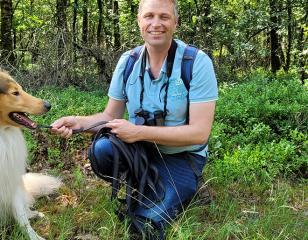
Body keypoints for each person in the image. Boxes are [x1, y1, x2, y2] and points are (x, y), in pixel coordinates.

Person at [51, 0, 218, 238]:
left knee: (145, 224)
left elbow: (199, 133)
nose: (156, 24)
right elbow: (110, 116)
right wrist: (77, 122)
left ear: (175, 23)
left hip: (182, 156)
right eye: (149, 16)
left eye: (164, 17)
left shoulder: (196, 63)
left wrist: (139, 132)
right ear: (139, 22)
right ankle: (142, 181)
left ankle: (181, 188)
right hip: (140, 151)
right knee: (102, 149)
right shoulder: (128, 61)